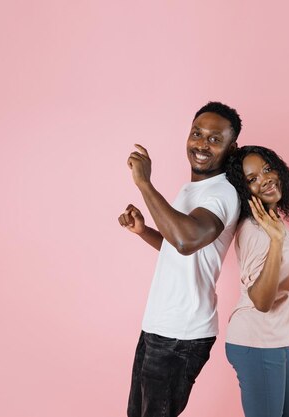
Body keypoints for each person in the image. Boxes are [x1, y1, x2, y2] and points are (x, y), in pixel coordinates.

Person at [118, 102, 242, 417]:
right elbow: (180, 245)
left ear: (231, 147)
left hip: (181, 334)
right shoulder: (193, 190)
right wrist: (144, 231)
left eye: (215, 139)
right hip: (158, 326)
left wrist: (145, 183)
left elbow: (186, 241)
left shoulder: (222, 194)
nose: (202, 144)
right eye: (197, 134)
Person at [224, 146, 289, 417]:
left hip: (274, 337)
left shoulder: (271, 225)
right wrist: (276, 240)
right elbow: (261, 301)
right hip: (256, 340)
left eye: (268, 169)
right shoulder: (257, 232)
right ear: (244, 190)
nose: (265, 178)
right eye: (252, 179)